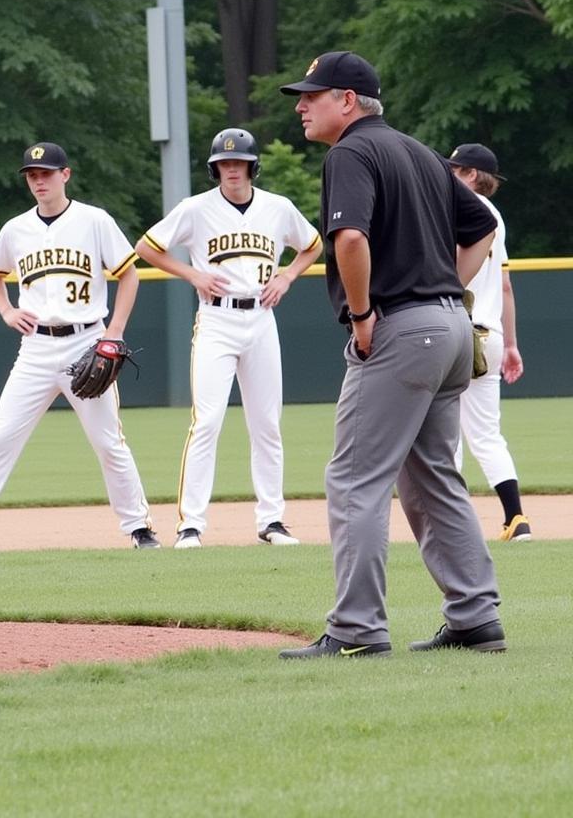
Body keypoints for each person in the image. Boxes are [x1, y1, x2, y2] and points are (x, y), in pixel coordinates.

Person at [277, 50, 505, 659]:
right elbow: (482, 225)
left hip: (402, 330)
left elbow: (350, 237)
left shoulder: (350, 152)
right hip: (452, 329)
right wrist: (447, 289)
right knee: (433, 479)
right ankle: (476, 617)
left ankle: (356, 630)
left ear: (347, 100)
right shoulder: (422, 153)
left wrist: (362, 314)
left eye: (312, 95)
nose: (301, 105)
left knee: (355, 479)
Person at [0, 141, 160, 554]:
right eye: (32, 175)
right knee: (0, 439)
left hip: (88, 339)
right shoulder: (15, 229)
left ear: (65, 175)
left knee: (108, 442)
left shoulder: (94, 220)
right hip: (35, 349)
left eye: (47, 173)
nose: (39, 181)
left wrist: (115, 331)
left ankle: (139, 528)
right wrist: (5, 310)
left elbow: (129, 275)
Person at [135, 129, 323, 549]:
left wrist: (289, 274)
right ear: (214, 168)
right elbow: (146, 247)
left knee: (267, 424)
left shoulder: (278, 207)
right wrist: (192, 273)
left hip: (261, 319)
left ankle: (272, 521)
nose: (231, 169)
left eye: (238, 163)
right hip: (217, 322)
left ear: (252, 166)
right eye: (224, 163)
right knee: (207, 422)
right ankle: (190, 525)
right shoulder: (196, 209)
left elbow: (312, 244)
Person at [447, 143, 530, 541]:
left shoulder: (457, 210)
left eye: (455, 168)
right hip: (491, 333)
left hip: (458, 328)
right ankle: (516, 519)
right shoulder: (495, 215)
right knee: (486, 433)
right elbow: (506, 286)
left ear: (469, 174)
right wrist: (511, 345)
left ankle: (454, 524)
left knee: (444, 430)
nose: (449, 173)